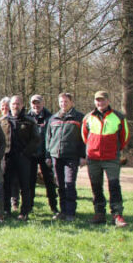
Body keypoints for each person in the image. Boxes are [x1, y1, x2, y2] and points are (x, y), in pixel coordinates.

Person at [82, 91, 129, 227]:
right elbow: (85, 137)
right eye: (97, 100)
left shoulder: (118, 117)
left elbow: (124, 138)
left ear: (108, 101)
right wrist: (92, 148)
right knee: (96, 187)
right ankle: (99, 213)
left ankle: (117, 215)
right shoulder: (88, 117)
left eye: (102, 100)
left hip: (111, 158)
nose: (99, 103)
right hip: (93, 158)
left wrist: (114, 150)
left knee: (114, 186)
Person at [45, 93, 86, 221]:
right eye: (61, 102)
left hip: (71, 157)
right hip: (55, 156)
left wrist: (83, 156)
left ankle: (70, 212)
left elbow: (84, 139)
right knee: (60, 185)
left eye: (66, 101)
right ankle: (62, 211)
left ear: (72, 102)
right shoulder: (53, 118)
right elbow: (48, 138)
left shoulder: (79, 118)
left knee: (69, 184)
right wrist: (48, 155)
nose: (63, 104)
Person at [0, 95, 41, 220]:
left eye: (18, 104)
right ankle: (6, 210)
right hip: (7, 158)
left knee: (25, 186)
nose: (15, 106)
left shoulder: (29, 121)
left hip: (24, 157)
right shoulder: (3, 121)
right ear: (9, 106)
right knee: (6, 185)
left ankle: (24, 211)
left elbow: (36, 139)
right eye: (13, 104)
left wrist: (26, 153)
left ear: (22, 105)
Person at [27, 94, 59, 215]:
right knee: (29, 182)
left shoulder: (51, 118)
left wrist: (49, 155)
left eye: (38, 103)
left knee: (49, 182)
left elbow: (53, 138)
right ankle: (28, 206)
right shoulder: (26, 117)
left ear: (43, 103)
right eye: (34, 103)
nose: (36, 105)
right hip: (30, 155)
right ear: (30, 104)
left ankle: (54, 206)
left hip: (45, 154)